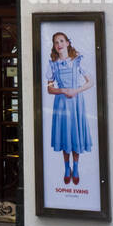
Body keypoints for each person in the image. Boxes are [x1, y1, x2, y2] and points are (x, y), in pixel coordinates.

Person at [46, 32, 93, 186]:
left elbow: (90, 82)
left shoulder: (77, 60)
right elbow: (49, 89)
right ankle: (67, 168)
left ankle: (76, 167)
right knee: (65, 135)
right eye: (55, 42)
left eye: (61, 41)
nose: (58, 44)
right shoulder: (53, 63)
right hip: (61, 103)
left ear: (67, 43)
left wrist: (75, 91)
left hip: (76, 102)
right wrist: (63, 91)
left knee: (76, 134)